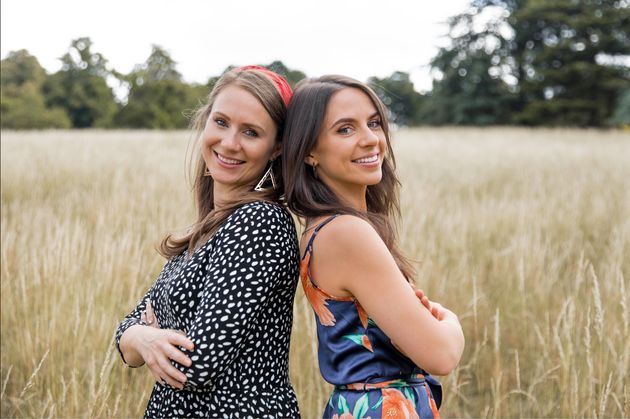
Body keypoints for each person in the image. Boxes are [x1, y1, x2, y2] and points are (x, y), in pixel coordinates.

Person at [115, 66, 301, 418]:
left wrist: (149, 334)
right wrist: (143, 336)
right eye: (221, 122)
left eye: (251, 132)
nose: (229, 143)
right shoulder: (206, 229)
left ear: (276, 147)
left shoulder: (259, 223)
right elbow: (126, 339)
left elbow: (195, 366)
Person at [282, 75, 465, 419]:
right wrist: (449, 321)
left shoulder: (325, 228)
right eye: (345, 129)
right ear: (309, 151)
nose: (370, 139)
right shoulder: (346, 233)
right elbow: (441, 355)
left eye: (374, 123)